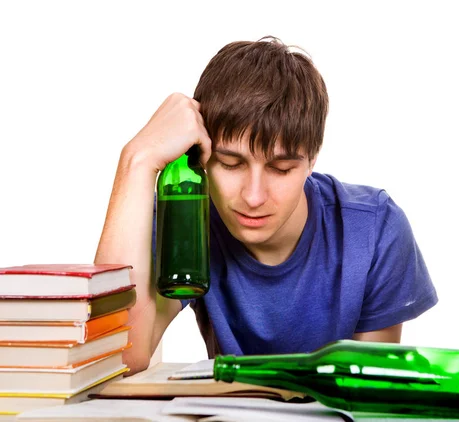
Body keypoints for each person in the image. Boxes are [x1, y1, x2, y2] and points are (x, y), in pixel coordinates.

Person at [95, 36, 438, 375]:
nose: (254, 197)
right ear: (200, 156)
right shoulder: (189, 221)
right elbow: (119, 354)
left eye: (281, 169)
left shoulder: (374, 229)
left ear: (312, 160)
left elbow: (370, 387)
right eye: (230, 164)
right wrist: (136, 161)